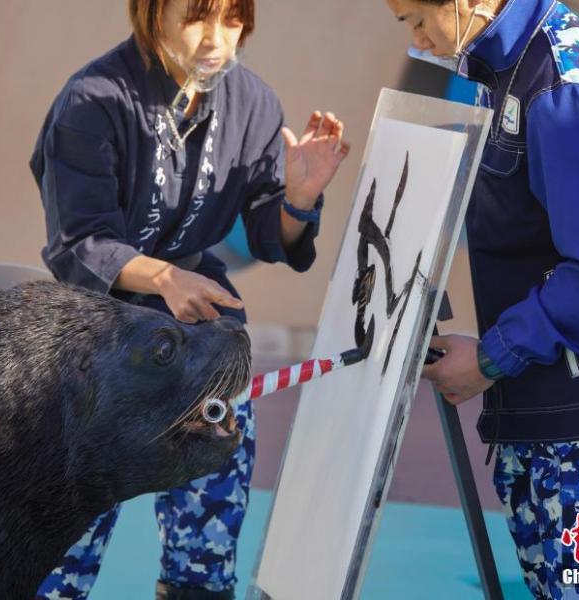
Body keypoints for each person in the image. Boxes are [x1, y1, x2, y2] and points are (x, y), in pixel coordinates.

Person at [29, 1, 350, 598]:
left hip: (204, 349)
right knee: (59, 562)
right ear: (150, 13)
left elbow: (266, 233)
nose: (216, 40)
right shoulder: (92, 101)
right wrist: (162, 279)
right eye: (198, 17)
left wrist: (299, 200)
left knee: (205, 557)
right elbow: (79, 240)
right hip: (94, 352)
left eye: (233, 20)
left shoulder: (253, 102)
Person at [385, 1, 579, 598]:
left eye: (418, 18)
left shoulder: (561, 87)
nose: (417, 38)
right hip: (551, 417)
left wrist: (493, 356)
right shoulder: (495, 66)